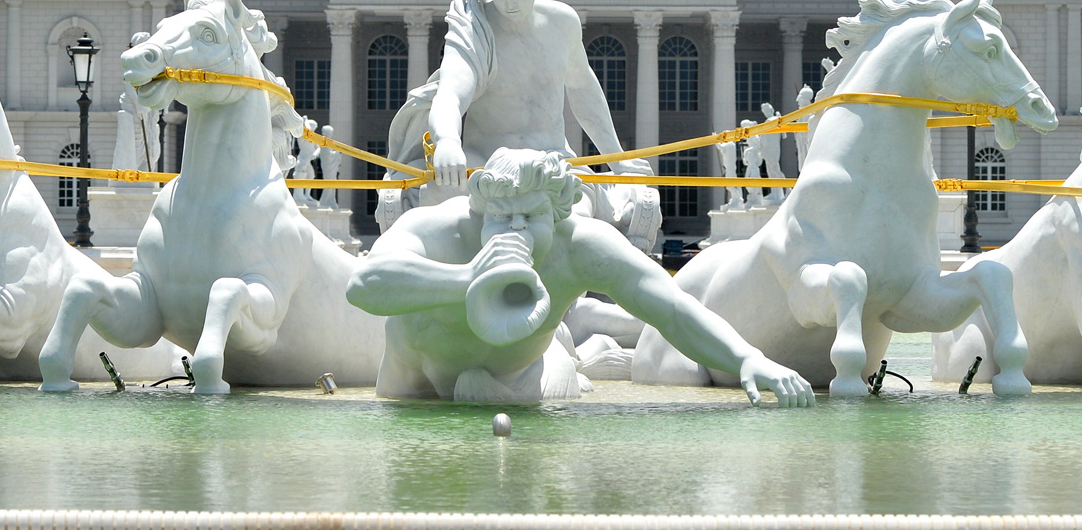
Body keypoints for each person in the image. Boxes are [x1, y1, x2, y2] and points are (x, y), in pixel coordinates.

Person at [347, 147, 813, 406]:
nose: (514, 230)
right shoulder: (442, 228)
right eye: (500, 216)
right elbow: (365, 284)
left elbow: (671, 309)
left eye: (530, 217)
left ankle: (576, 357)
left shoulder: (582, 246)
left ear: (558, 213)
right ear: (481, 210)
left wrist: (749, 358)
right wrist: (468, 276)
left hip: (515, 388)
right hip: (414, 387)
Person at [380, 0, 659, 250]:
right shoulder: (475, 26)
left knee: (576, 229)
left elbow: (583, 90)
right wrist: (446, 140)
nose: (509, 4)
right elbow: (451, 94)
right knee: (444, 212)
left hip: (553, 163)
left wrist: (618, 159)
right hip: (481, 162)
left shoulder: (562, 22)